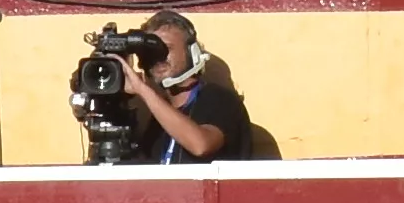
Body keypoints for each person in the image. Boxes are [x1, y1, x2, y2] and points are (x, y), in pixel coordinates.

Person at [71, 10, 267, 166]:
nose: (157, 58)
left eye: (166, 49)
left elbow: (200, 145)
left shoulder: (219, 100)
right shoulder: (158, 121)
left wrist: (142, 89)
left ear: (192, 52)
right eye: (150, 51)